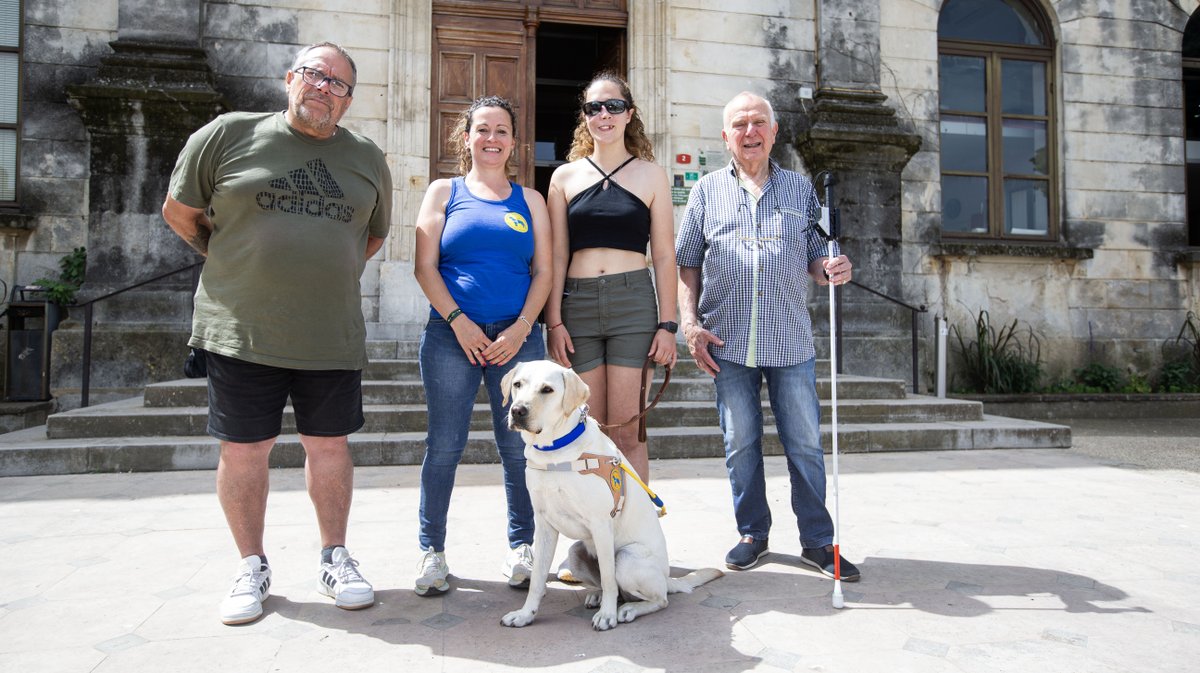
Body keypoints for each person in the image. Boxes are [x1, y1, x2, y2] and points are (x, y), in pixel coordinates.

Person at [162, 42, 390, 624]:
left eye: (338, 84)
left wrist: (318, 267)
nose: (324, 88)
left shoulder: (367, 157)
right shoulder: (228, 134)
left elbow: (371, 237)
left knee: (330, 446)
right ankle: (251, 565)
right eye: (315, 75)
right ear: (291, 78)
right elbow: (180, 213)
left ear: (348, 99)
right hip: (242, 328)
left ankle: (335, 556)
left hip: (330, 331)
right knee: (244, 450)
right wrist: (235, 262)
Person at [675, 92, 862, 581]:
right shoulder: (704, 191)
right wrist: (689, 324)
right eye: (740, 124)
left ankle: (819, 542)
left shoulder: (801, 190)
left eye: (759, 122)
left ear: (774, 132)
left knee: (804, 443)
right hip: (728, 340)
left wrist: (833, 267)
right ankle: (752, 534)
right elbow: (686, 263)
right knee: (740, 443)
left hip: (789, 340)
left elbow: (817, 262)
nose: (750, 131)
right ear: (725, 137)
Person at [412, 95, 552, 596]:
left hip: (516, 340)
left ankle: (523, 548)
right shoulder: (443, 192)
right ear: (466, 137)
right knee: (444, 446)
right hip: (452, 338)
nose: (491, 139)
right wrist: (459, 322)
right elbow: (424, 266)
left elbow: (544, 272)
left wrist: (520, 329)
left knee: (519, 448)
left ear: (514, 141)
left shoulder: (530, 200)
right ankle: (432, 553)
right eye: (482, 130)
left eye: (501, 131)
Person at [543, 72, 677, 483]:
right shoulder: (563, 178)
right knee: (589, 428)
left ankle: (634, 534)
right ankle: (591, 538)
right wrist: (554, 322)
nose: (604, 114)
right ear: (585, 117)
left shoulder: (651, 175)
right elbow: (556, 255)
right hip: (577, 305)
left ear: (628, 114)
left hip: (633, 303)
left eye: (613, 106)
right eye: (594, 107)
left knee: (627, 428)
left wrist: (668, 325)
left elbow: (665, 254)